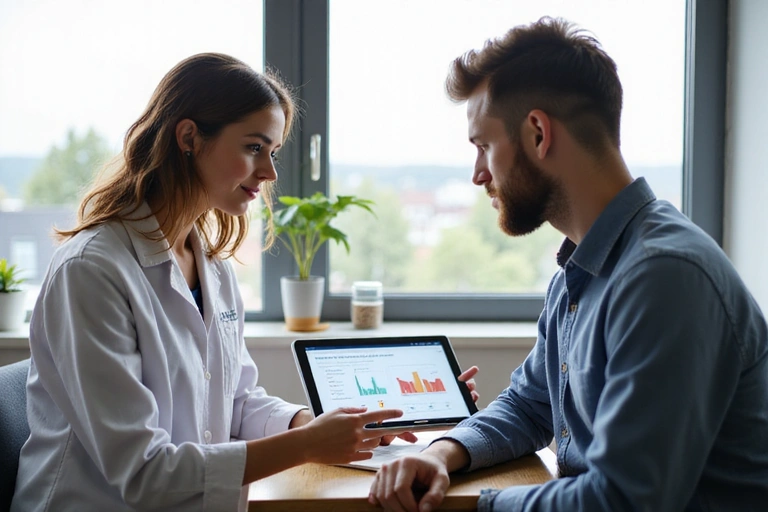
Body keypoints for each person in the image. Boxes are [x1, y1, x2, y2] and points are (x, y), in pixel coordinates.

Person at [11, 53, 478, 512]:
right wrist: (306, 445)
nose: (270, 173)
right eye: (254, 148)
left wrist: (321, 424)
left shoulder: (210, 264)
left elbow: (236, 400)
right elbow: (143, 472)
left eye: (272, 152)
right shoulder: (92, 270)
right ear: (189, 137)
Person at [368, 17, 768, 512]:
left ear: (538, 133)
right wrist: (442, 453)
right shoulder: (585, 270)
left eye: (483, 146)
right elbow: (529, 403)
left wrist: (478, 508)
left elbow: (622, 500)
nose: (477, 174)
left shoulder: (664, 277)